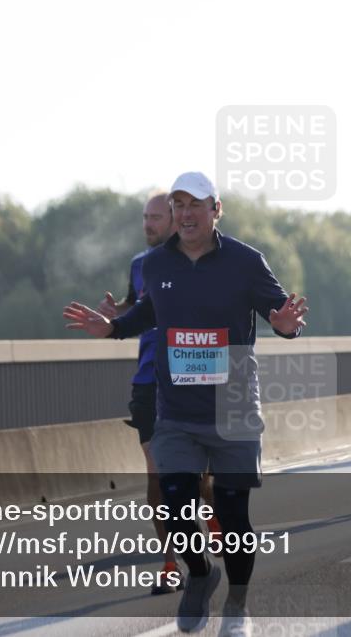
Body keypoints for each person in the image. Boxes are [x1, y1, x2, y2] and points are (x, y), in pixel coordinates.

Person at [65, 171, 308, 635]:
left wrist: (285, 324)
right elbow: (147, 313)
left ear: (216, 209)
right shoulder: (156, 265)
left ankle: (237, 607)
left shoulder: (245, 261)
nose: (186, 212)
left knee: (234, 518)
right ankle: (200, 573)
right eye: (178, 204)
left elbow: (281, 313)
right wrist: (113, 327)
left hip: (233, 403)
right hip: (175, 407)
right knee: (173, 507)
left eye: (195, 204)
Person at [96, 190, 221, 595]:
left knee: (200, 476)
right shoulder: (141, 265)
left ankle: (212, 512)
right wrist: (118, 314)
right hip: (150, 381)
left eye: (155, 217)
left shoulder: (205, 260)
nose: (147, 225)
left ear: (175, 219)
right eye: (144, 217)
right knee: (160, 473)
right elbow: (136, 308)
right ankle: (171, 564)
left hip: (194, 375)